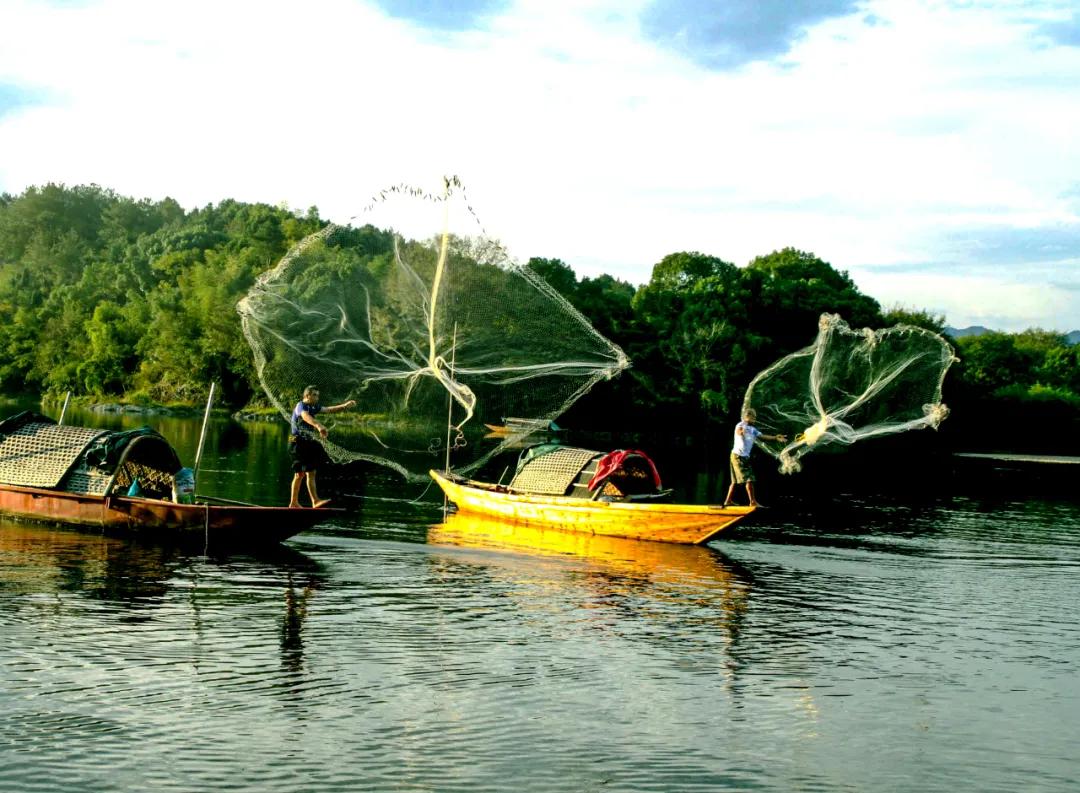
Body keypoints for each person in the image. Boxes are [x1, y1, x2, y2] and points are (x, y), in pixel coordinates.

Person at [288, 385, 357, 508]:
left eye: (318, 395)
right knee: (300, 474)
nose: (317, 397)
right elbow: (305, 417)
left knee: (310, 472)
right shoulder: (301, 406)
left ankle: (306, 502)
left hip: (306, 442)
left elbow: (329, 409)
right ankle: (301, 502)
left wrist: (344, 406)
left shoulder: (313, 407)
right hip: (296, 442)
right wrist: (319, 426)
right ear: (307, 395)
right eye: (314, 395)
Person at [724, 407, 786, 508]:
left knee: (734, 481)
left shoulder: (753, 430)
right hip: (738, 456)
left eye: (755, 417)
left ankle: (728, 501)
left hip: (739, 456)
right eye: (753, 417)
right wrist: (742, 432)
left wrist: (775, 437)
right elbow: (739, 432)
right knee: (749, 479)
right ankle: (752, 502)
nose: (755, 419)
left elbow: (763, 436)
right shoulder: (740, 425)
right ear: (747, 417)